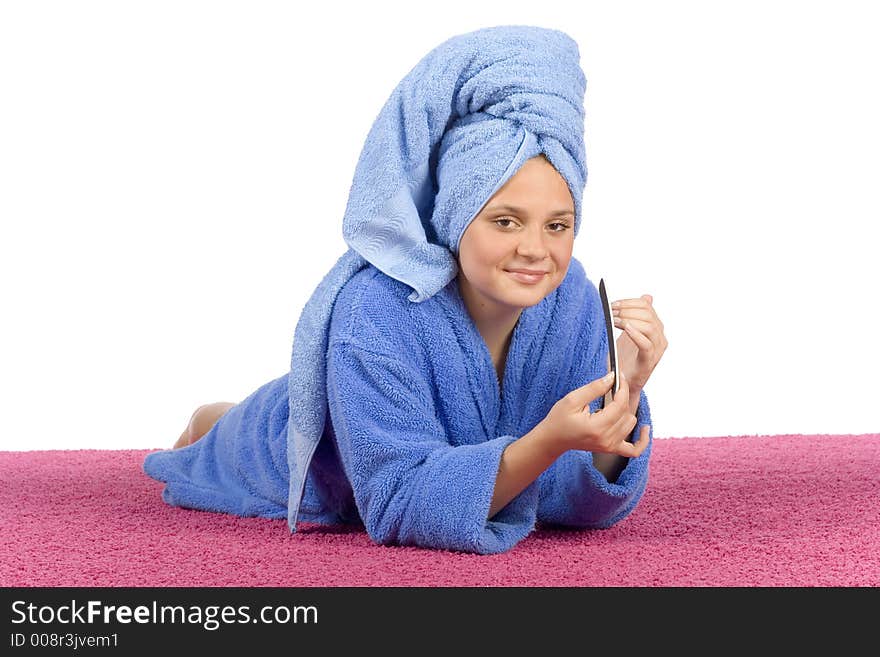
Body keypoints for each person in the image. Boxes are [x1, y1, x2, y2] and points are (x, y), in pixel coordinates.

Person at [143, 25, 668, 555]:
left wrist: (626, 390)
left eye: (558, 225)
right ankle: (215, 416)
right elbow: (396, 499)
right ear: (456, 217)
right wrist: (548, 441)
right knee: (220, 436)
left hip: (407, 427)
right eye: (506, 222)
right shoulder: (372, 312)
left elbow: (567, 500)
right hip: (308, 448)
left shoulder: (572, 301)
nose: (536, 249)